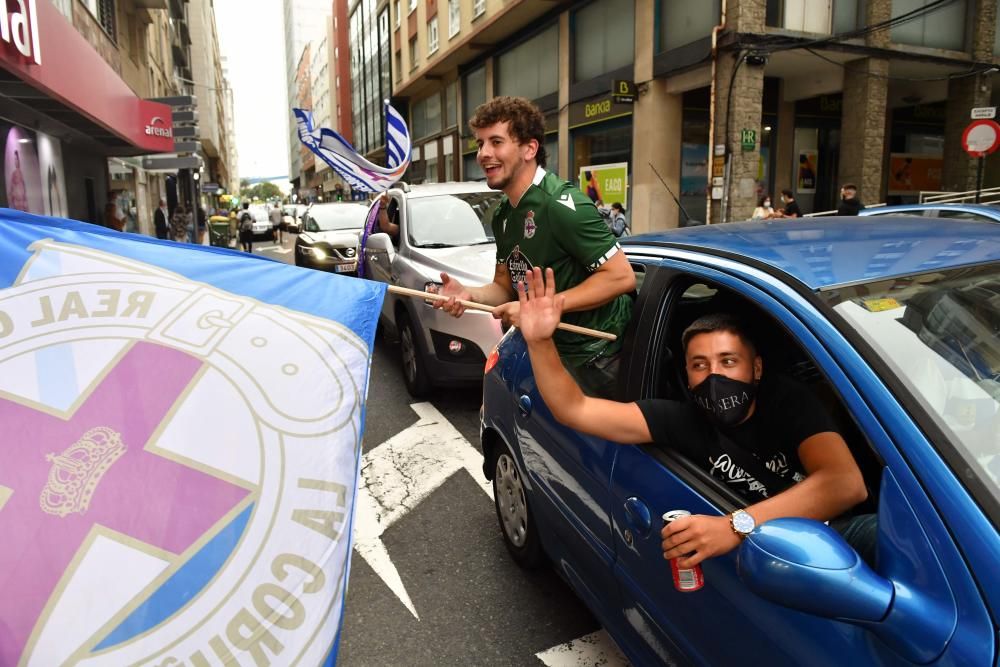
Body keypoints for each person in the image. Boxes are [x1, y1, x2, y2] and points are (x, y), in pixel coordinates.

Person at [516, 266, 877, 566]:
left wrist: (736, 526)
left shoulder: (788, 402)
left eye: (728, 361)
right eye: (699, 365)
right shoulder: (679, 420)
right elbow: (574, 409)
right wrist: (540, 342)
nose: (714, 376)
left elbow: (845, 483)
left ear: (757, 368)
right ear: (687, 375)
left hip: (834, 533)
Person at [432, 95, 636, 397]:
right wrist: (468, 294)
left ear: (529, 148)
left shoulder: (561, 204)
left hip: (601, 358)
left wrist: (541, 308)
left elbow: (621, 276)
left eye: (496, 142)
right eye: (480, 144)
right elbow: (504, 286)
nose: (484, 154)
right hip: (553, 356)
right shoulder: (502, 214)